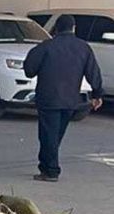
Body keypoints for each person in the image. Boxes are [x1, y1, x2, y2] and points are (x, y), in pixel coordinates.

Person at [23, 14, 103, 182]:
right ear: (74, 28)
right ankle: (46, 166)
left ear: (56, 28)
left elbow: (29, 68)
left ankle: (51, 170)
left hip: (48, 98)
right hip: (70, 100)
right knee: (55, 134)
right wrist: (97, 94)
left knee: (48, 135)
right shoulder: (83, 48)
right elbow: (93, 72)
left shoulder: (46, 47)